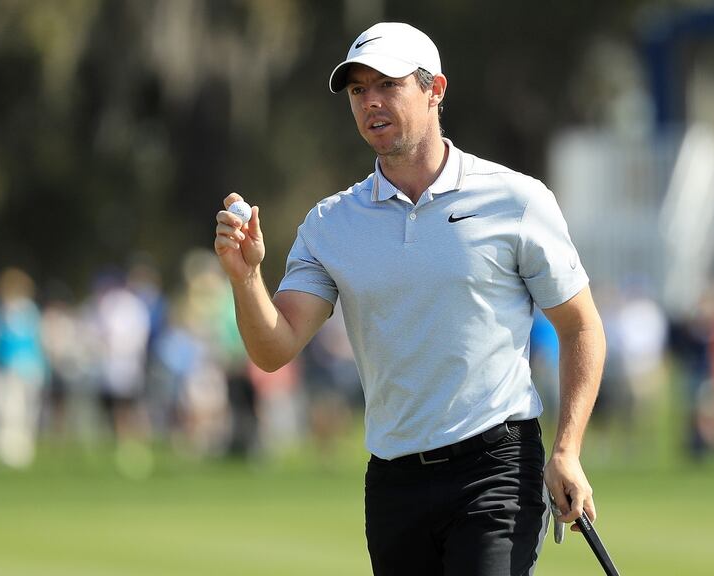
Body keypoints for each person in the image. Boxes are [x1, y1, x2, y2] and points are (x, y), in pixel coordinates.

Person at [214, 22, 605, 575]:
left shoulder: (515, 199)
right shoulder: (331, 223)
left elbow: (581, 326)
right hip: (394, 478)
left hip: (496, 466)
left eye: (388, 85)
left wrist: (567, 450)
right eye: (357, 91)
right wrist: (246, 277)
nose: (371, 101)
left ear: (434, 90)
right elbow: (273, 348)